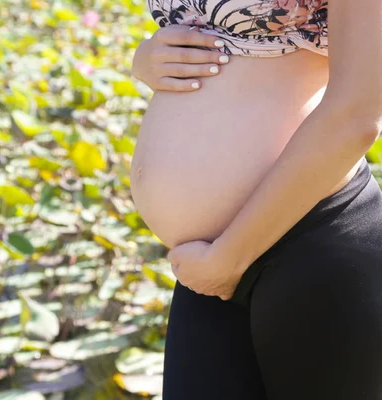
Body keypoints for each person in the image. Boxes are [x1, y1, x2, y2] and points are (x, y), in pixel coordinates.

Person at [129, 1, 382, 399]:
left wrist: (230, 258)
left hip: (313, 243)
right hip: (207, 266)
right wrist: (147, 56)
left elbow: (356, 115)